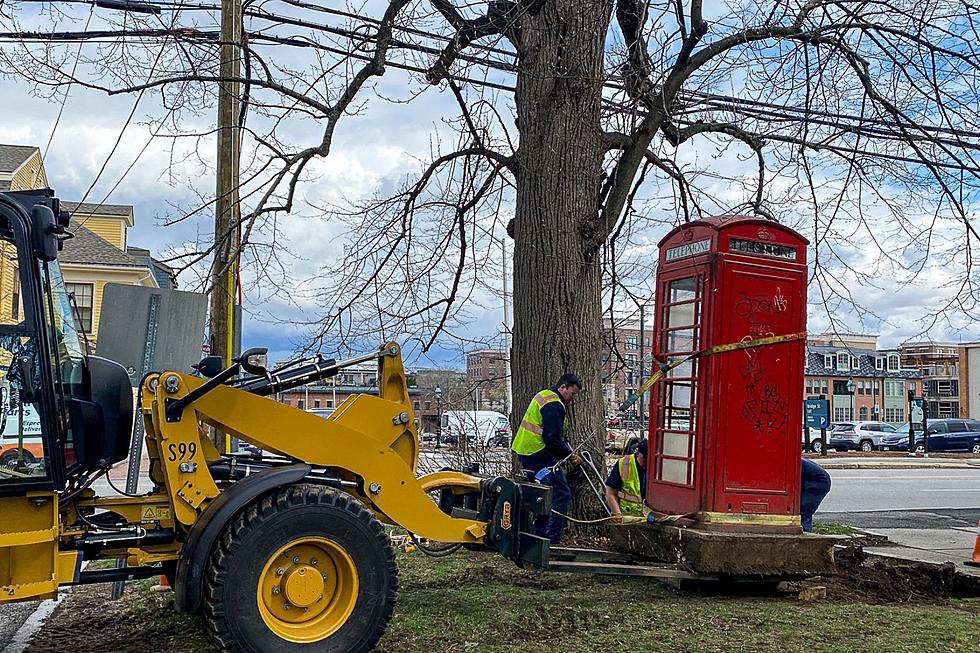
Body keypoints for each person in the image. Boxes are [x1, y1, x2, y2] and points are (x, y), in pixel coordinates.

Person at [511, 373, 582, 544]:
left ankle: (539, 532)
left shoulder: (545, 395)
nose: (572, 398)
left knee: (543, 493)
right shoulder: (554, 405)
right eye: (572, 393)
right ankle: (551, 537)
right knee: (562, 494)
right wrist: (569, 456)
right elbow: (552, 438)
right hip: (538, 452)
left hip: (527, 449)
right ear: (563, 387)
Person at [604, 439, 647, 517]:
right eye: (645, 459)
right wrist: (618, 516)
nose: (647, 462)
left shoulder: (657, 466)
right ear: (637, 454)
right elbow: (610, 493)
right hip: (627, 517)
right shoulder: (624, 464)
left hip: (650, 518)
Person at [800, 458, 832, 532]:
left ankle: (806, 535)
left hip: (818, 483)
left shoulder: (792, 462)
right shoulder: (795, 459)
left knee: (805, 511)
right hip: (816, 481)